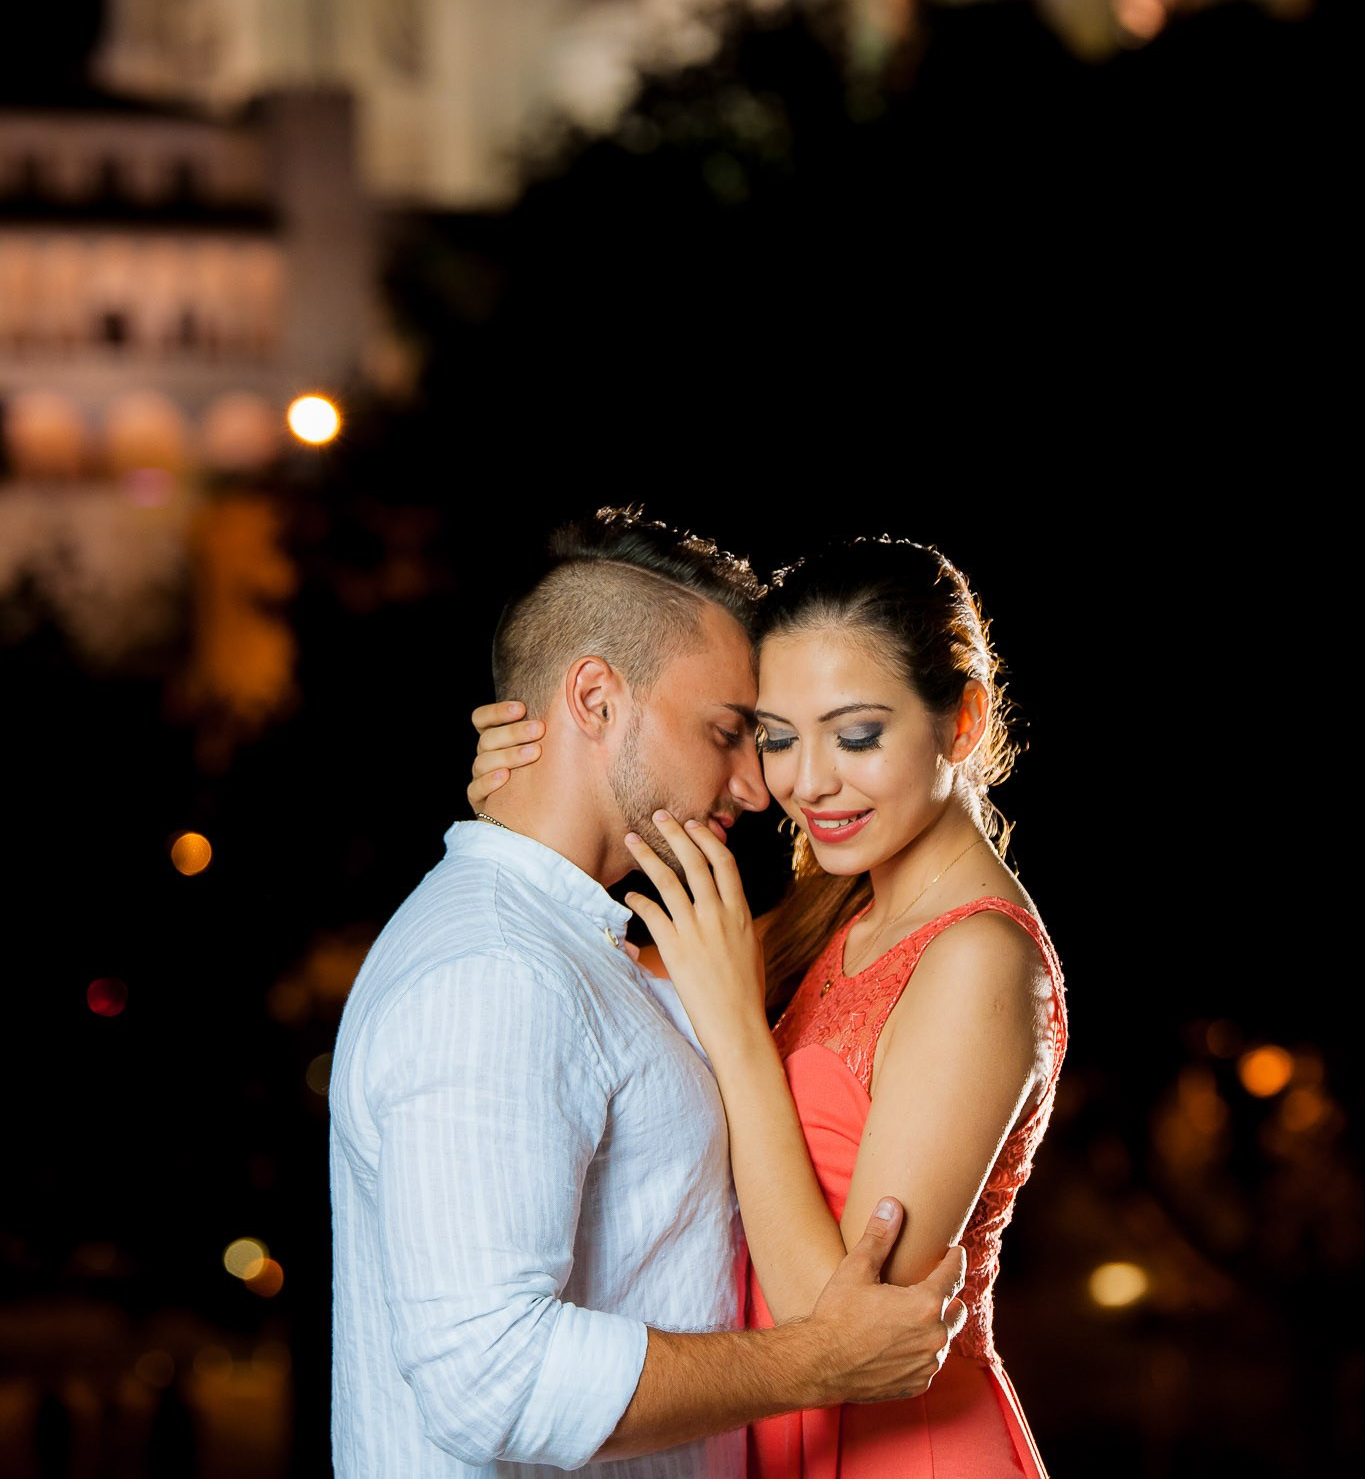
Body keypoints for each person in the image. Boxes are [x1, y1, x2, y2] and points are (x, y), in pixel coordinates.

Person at [330, 511, 968, 1479]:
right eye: (729, 731)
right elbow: (487, 1375)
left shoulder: (590, 949)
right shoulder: (494, 972)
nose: (760, 787)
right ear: (595, 696)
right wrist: (818, 1358)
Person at [470, 532, 1066, 1477]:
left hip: (903, 1453)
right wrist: (529, 809)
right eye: (779, 737)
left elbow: (836, 1332)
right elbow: (619, 988)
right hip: (776, 1440)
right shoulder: (839, 907)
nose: (805, 782)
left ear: (962, 721)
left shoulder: (979, 960)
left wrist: (741, 1037)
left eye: (856, 735)